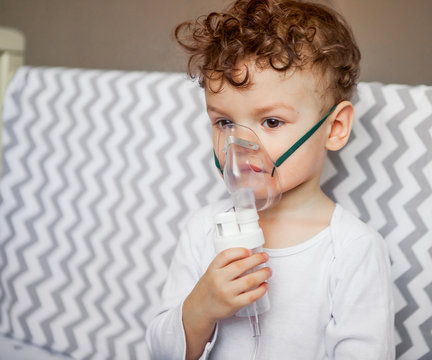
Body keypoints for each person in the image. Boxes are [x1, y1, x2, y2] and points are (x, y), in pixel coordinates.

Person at [146, 0, 394, 359]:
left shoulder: (352, 250)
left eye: (272, 122)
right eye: (225, 123)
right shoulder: (204, 230)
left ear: (335, 128)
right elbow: (161, 353)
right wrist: (200, 308)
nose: (239, 145)